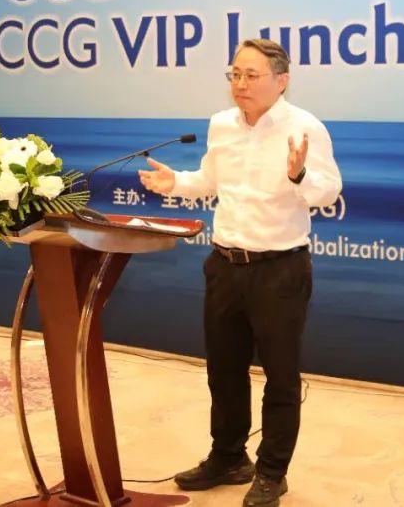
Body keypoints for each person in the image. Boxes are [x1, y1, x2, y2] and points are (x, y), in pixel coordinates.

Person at [138, 38, 342, 507]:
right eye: (234, 74)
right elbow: (210, 180)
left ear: (281, 80)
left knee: (281, 378)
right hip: (225, 265)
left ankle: (272, 472)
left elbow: (329, 190)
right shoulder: (221, 125)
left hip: (280, 269)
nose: (240, 83)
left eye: (251, 75)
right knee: (224, 370)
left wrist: (299, 175)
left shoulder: (305, 127)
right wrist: (176, 183)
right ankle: (229, 457)